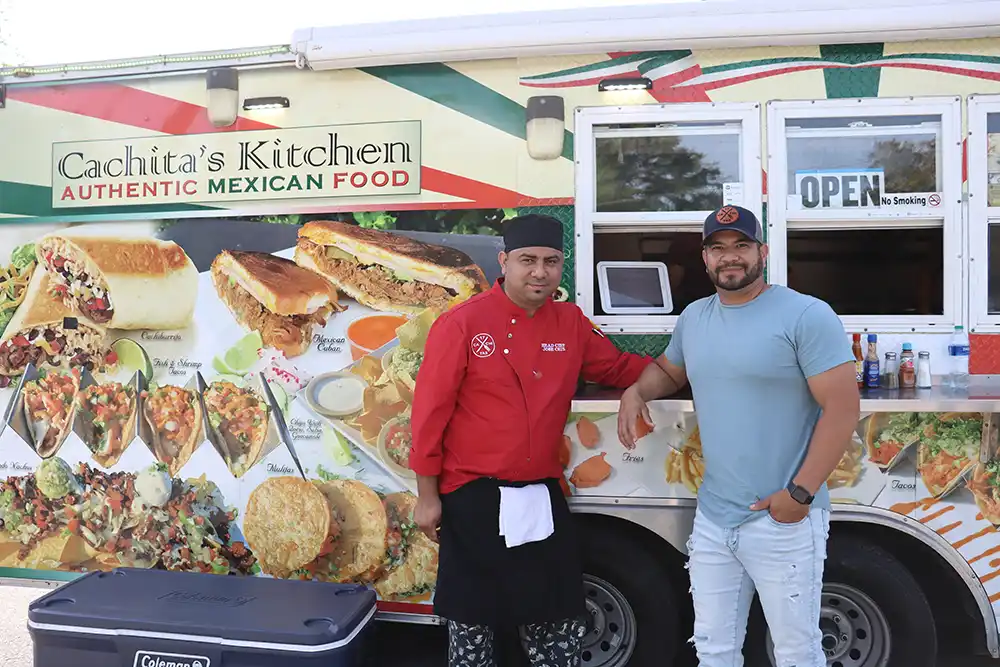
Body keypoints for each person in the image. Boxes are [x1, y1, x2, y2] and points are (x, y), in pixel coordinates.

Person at [617, 205, 860, 667]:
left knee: (796, 652)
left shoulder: (806, 315)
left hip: (782, 517)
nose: (730, 258)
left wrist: (799, 495)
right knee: (713, 647)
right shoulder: (695, 317)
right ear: (704, 259)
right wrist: (636, 390)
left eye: (741, 246)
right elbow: (670, 371)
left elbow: (843, 408)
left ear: (762, 252)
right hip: (713, 517)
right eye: (718, 248)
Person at [409, 213, 652, 667]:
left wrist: (681, 371)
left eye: (551, 261)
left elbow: (617, 369)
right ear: (504, 261)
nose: (540, 271)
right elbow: (428, 415)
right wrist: (427, 496)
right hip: (472, 494)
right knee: (473, 627)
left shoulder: (570, 323)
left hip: (540, 492)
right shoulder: (462, 323)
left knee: (555, 624)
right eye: (528, 260)